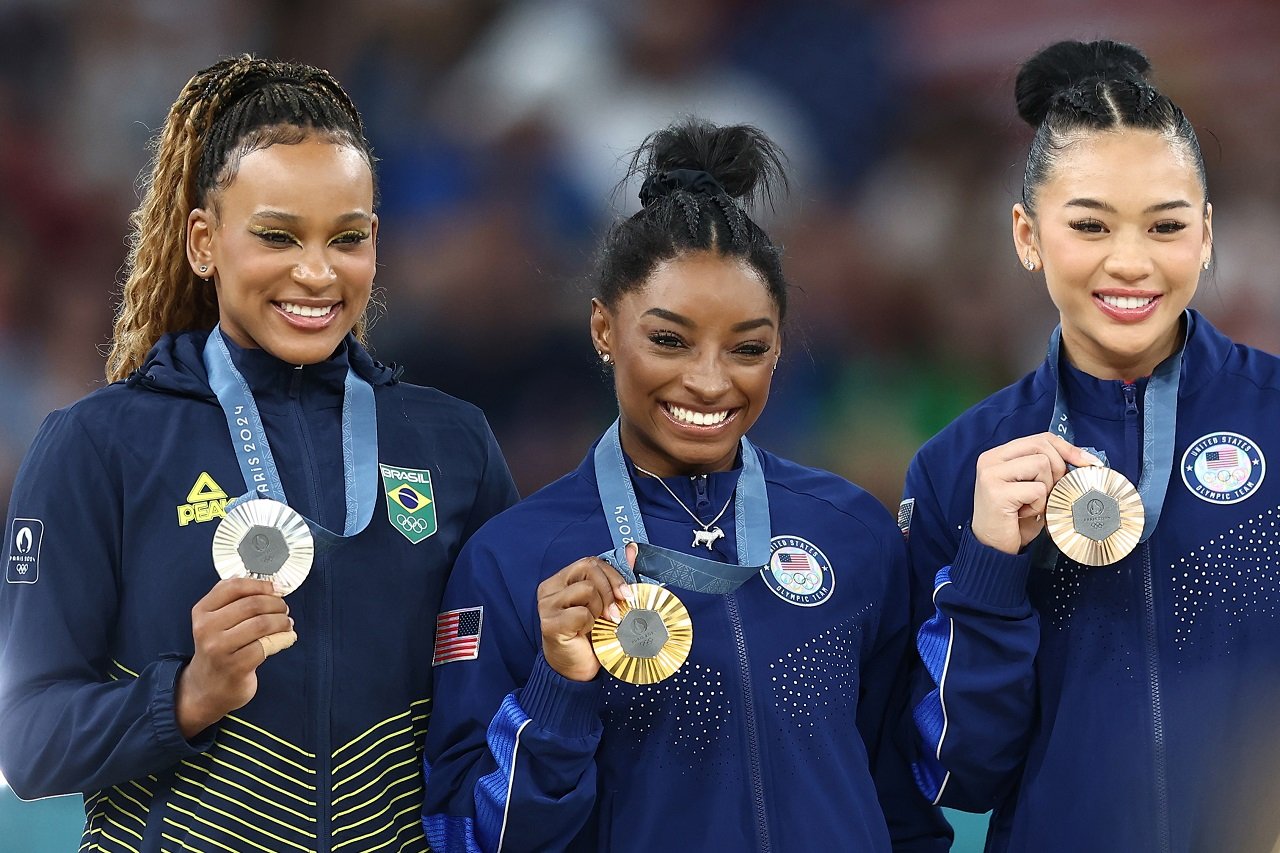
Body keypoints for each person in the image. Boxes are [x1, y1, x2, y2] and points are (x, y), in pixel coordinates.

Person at [0, 56, 518, 852]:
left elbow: (493, 716)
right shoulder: (99, 445)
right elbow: (25, 743)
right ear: (204, 241)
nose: (316, 272)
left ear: (375, 242)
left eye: (346, 238)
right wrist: (188, 692)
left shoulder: (453, 445)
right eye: (277, 235)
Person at [420, 118, 950, 852]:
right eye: (668, 340)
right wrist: (558, 686)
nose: (708, 380)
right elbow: (467, 837)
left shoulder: (853, 531)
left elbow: (904, 808)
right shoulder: (514, 559)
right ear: (604, 329)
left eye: (748, 347)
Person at [903, 39, 1280, 852]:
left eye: (1166, 224)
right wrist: (989, 568)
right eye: (1090, 225)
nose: (1131, 261)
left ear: (1207, 234)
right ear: (1027, 234)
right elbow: (957, 769)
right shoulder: (958, 469)